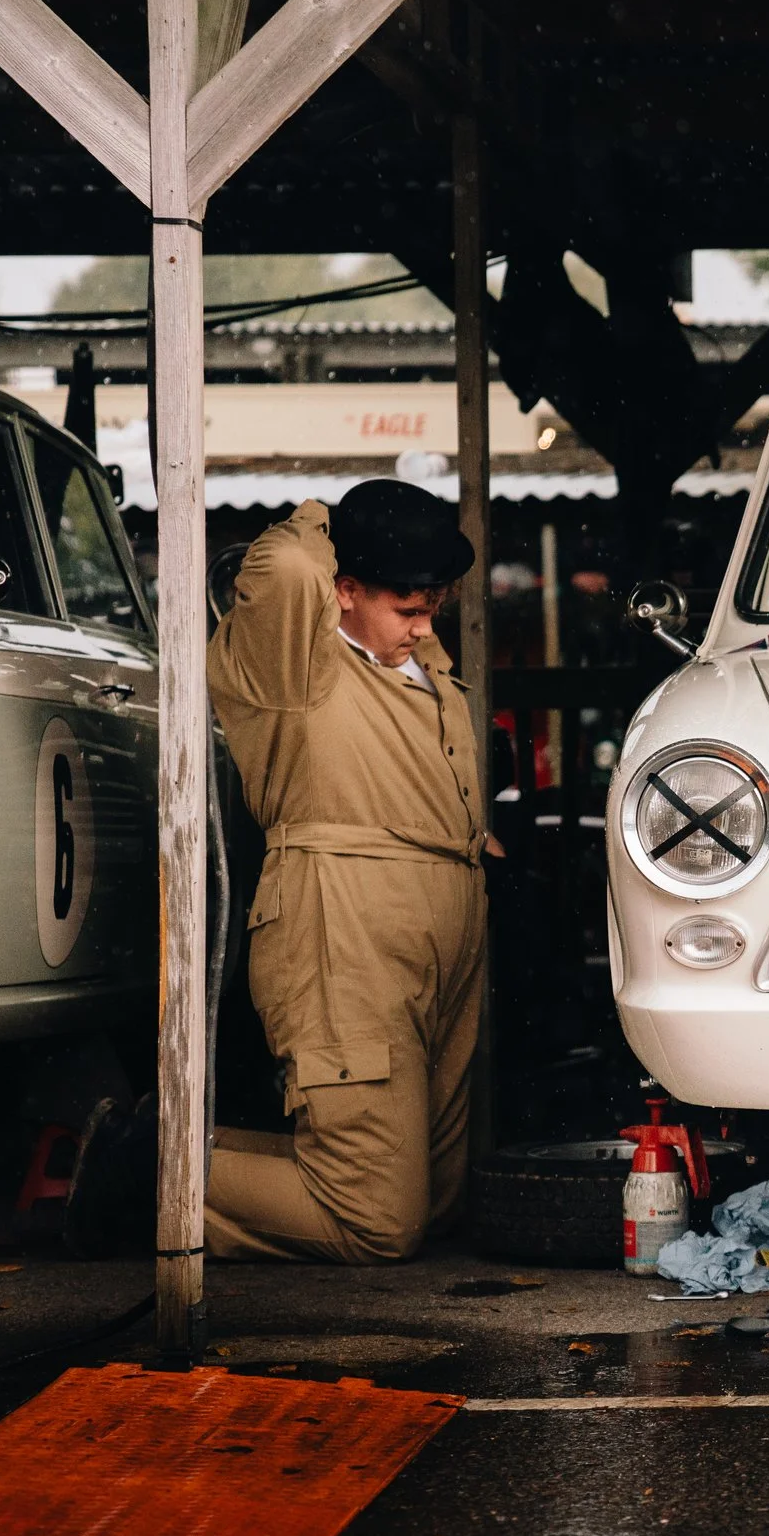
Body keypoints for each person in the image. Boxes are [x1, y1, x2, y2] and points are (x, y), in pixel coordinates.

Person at [201, 480, 491, 1262]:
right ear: (346, 590)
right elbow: (290, 569)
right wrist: (331, 520)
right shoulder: (293, 659)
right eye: (408, 607)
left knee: (436, 1200)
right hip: (344, 923)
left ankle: (172, 1141)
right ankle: (143, 1170)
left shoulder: (414, 654)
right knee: (376, 1221)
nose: (424, 625)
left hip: (440, 929)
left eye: (432, 606)